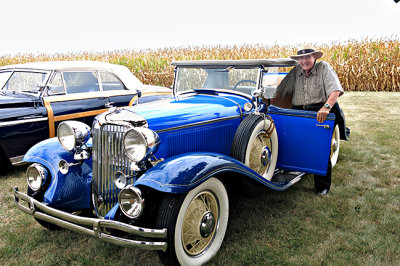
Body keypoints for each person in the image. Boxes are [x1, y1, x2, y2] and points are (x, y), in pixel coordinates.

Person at [273, 45, 344, 195]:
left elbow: (335, 90)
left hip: (320, 110)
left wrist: (325, 107)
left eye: (307, 57)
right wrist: (270, 106)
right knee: (295, 142)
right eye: (301, 58)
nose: (304, 61)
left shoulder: (324, 68)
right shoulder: (296, 72)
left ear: (315, 58)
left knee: (320, 147)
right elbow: (280, 91)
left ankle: (322, 186)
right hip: (300, 111)